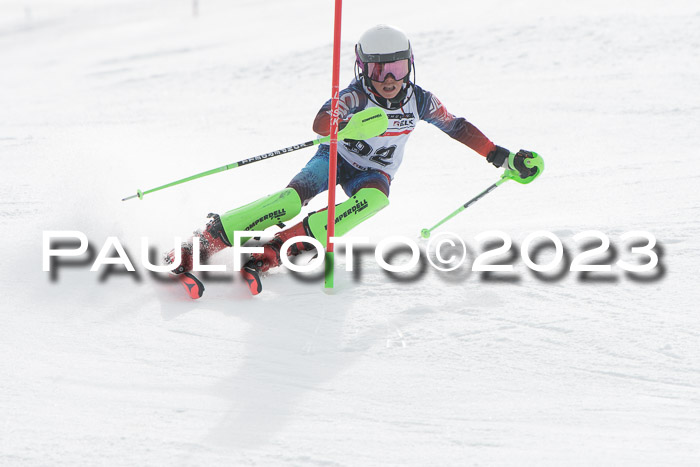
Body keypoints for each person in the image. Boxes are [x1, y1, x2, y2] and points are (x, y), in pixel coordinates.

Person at [166, 24, 539, 296]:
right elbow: (320, 122)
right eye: (379, 70)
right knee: (289, 200)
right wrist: (342, 125)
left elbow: (455, 125)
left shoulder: (420, 99)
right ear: (364, 69)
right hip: (336, 158)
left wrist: (498, 155)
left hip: (374, 173)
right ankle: (206, 241)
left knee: (376, 200)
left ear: (410, 65)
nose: (389, 79)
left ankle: (282, 246)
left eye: (397, 69)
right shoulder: (355, 96)